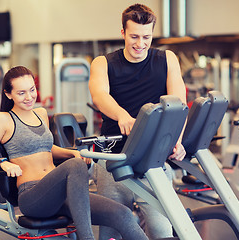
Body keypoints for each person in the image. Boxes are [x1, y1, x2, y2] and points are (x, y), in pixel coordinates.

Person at [0, 66, 149, 240]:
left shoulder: (41, 114)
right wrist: (3, 163)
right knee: (75, 165)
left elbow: (47, 148)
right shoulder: (3, 119)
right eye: (21, 93)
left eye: (32, 90)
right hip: (33, 197)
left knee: (123, 214)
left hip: (63, 193)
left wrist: (71, 153)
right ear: (8, 94)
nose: (29, 97)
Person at [89, 3, 187, 239]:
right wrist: (122, 114)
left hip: (152, 159)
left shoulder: (167, 59)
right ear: (122, 32)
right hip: (113, 158)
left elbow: (178, 103)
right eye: (134, 36)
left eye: (146, 37)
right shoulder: (103, 63)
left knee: (161, 228)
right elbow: (100, 95)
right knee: (112, 231)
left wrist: (177, 140)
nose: (140, 43)